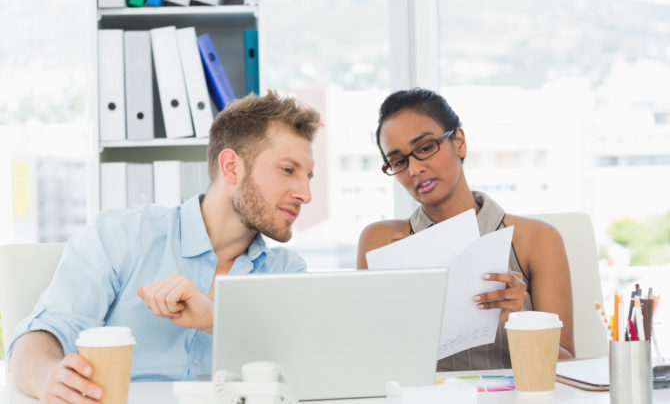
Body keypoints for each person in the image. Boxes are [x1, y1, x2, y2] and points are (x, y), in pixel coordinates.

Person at [8, 91, 321, 403]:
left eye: (308, 177)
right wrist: (48, 377)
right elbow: (41, 336)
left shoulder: (286, 272)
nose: (306, 194)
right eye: (288, 170)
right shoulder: (122, 236)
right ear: (231, 168)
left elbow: (307, 373)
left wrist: (216, 319)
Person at [356, 88, 575, 371]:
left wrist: (522, 321)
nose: (414, 169)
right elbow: (365, 364)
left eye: (425, 148)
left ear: (459, 142)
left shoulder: (535, 239)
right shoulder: (381, 243)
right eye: (398, 161)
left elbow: (572, 368)